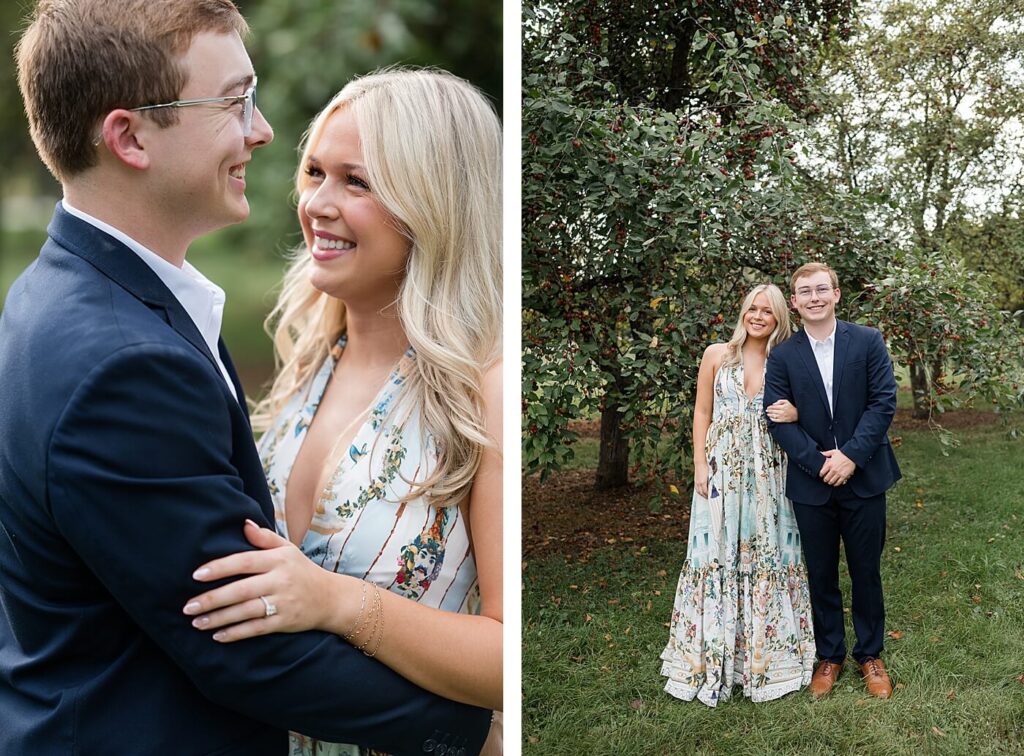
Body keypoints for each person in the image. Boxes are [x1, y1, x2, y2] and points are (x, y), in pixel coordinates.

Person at [0, 2, 490, 754]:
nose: (261, 132)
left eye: (355, 180)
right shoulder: (133, 360)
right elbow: (240, 644)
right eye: (234, 102)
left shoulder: (63, 298)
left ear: (435, 204)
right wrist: (473, 734)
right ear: (129, 137)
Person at [179, 68, 504, 756]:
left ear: (434, 202)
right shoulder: (307, 361)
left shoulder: (484, 391)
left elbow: (510, 661)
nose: (318, 205)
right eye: (316, 173)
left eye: (356, 182)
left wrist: (338, 602)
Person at [660, 284, 816, 706]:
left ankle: (766, 660)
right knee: (715, 555)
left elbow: (812, 409)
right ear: (743, 312)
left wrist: (798, 412)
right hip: (721, 470)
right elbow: (702, 412)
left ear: (780, 317)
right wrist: (698, 464)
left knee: (768, 553)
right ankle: (711, 657)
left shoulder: (787, 360)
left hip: (768, 469)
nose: (759, 315)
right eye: (753, 308)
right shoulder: (716, 355)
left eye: (768, 310)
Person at [763, 262, 901, 700]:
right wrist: (821, 464)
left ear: (837, 294)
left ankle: (870, 655)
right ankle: (830, 655)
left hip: (864, 477)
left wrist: (850, 457)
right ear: (796, 301)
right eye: (805, 291)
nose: (814, 297)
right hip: (811, 484)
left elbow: (883, 403)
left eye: (822, 289)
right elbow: (777, 419)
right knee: (820, 573)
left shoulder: (866, 340)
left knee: (866, 571)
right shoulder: (783, 354)